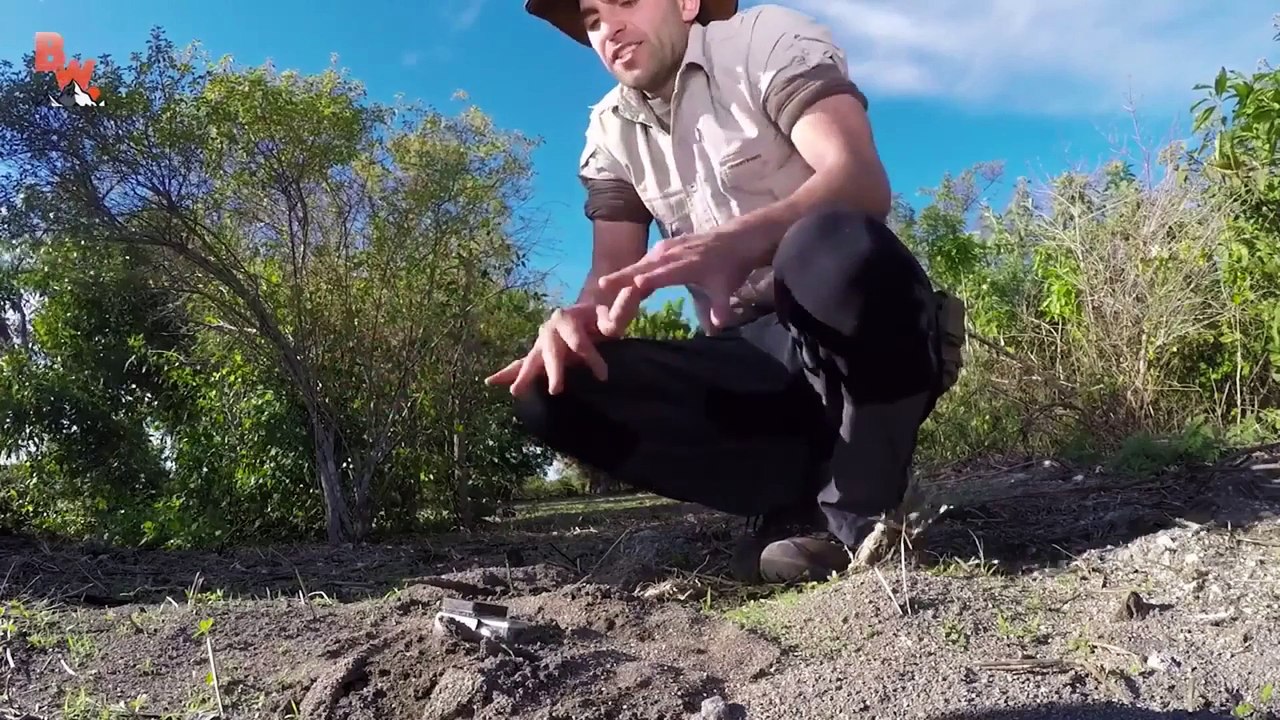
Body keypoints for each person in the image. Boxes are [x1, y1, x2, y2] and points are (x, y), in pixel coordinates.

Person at [488, 0, 965, 584]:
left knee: (826, 243)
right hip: (748, 353)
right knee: (551, 386)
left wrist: (736, 242)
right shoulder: (607, 128)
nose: (609, 28)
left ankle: (866, 505)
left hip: (847, 317)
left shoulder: (764, 39)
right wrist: (573, 320)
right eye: (592, 19)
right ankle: (794, 501)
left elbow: (860, 181)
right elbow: (609, 277)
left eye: (626, 1)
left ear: (688, 3)